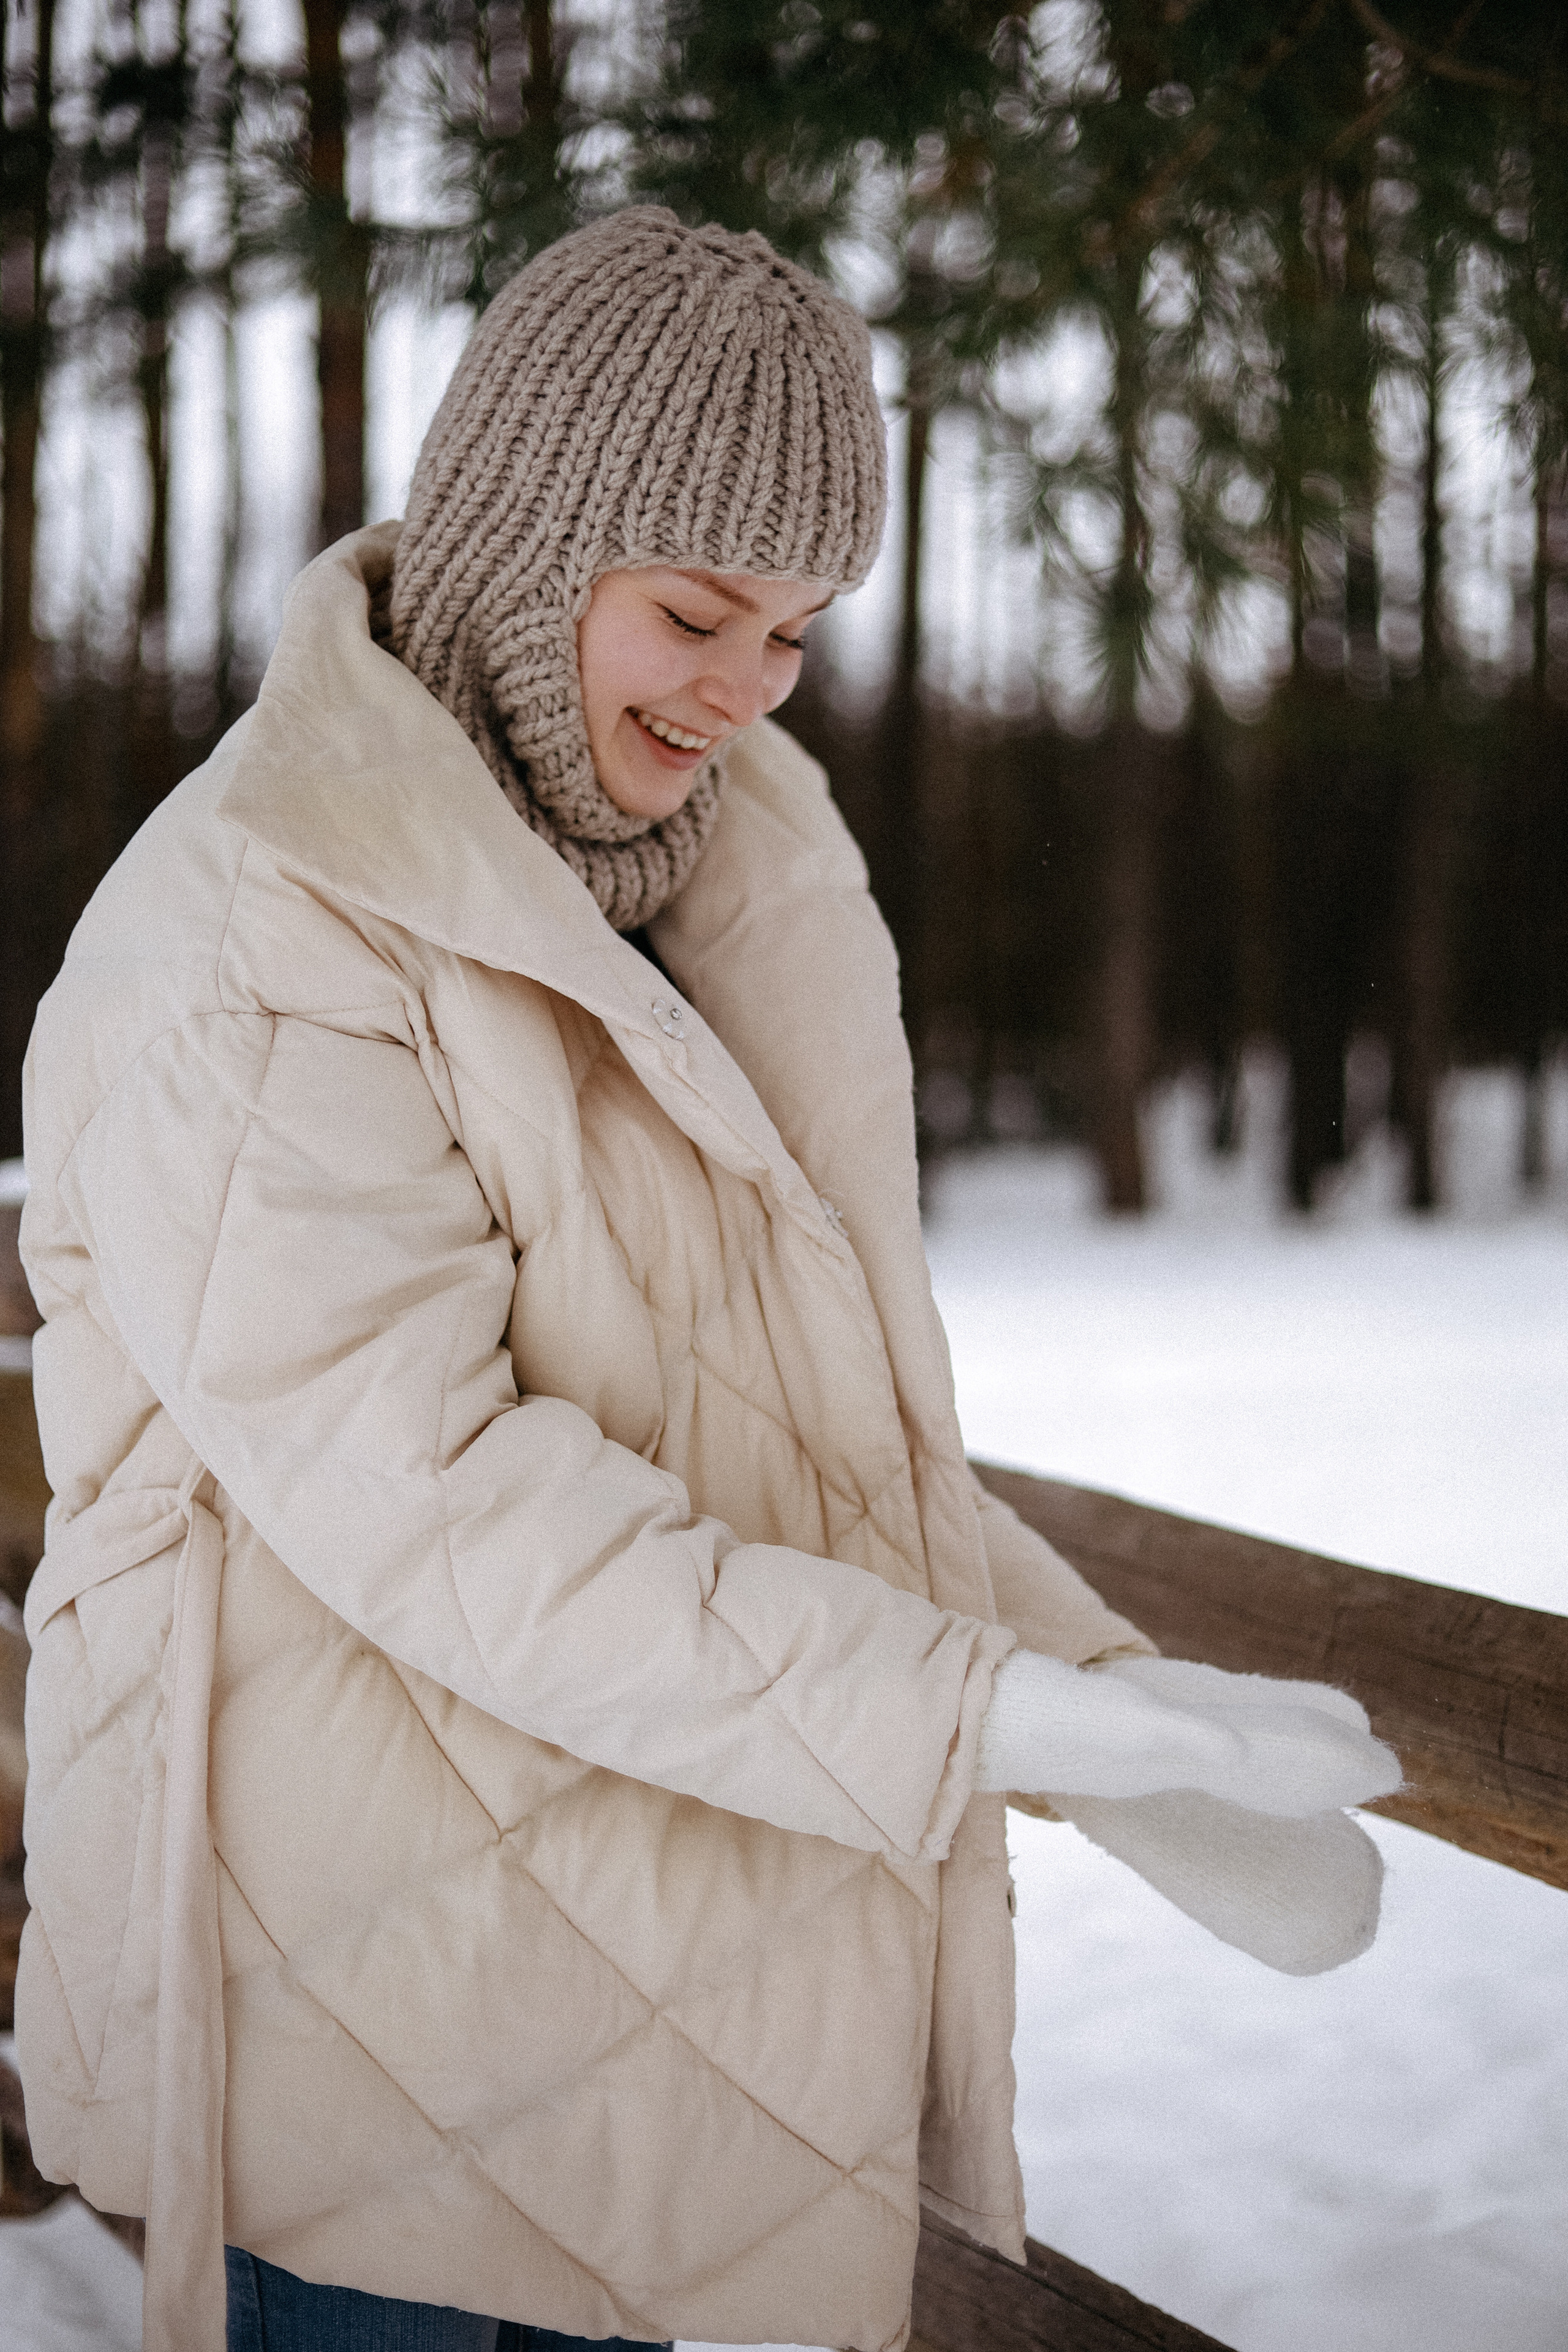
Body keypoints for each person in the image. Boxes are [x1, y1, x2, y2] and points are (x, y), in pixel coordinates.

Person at [16, 209, 1400, 2352]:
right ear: (521, 542)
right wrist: (976, 1716)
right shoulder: (249, 937)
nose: (747, 689)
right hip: (371, 2036)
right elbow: (450, 1507)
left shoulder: (717, 891)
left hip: (664, 1990)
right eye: (694, 610)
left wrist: (1110, 1713)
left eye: (800, 631)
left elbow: (787, 1454)